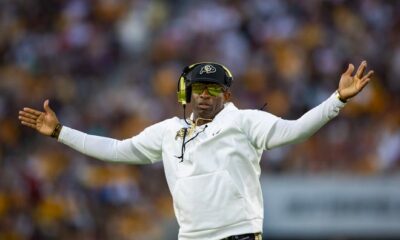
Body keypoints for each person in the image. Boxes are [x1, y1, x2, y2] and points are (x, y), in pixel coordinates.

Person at [19, 61, 373, 240]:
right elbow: (116, 149)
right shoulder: (167, 131)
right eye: (199, 87)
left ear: (227, 95)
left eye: (213, 89)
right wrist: (60, 132)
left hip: (238, 235)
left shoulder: (245, 121)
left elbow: (295, 132)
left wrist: (337, 99)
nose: (205, 94)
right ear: (185, 93)